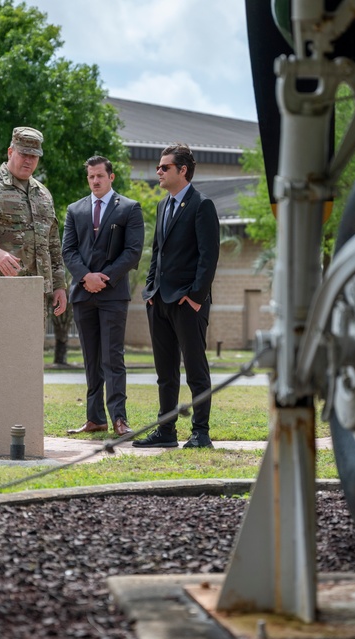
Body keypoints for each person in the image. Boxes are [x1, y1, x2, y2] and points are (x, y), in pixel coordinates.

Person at [133, 143, 220, 449]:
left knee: (195, 370)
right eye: (159, 167)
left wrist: (196, 296)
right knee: (165, 372)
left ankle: (200, 432)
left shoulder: (201, 205)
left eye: (164, 167)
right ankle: (166, 430)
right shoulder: (162, 205)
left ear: (182, 170)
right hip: (159, 301)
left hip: (187, 303)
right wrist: (150, 289)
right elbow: (157, 251)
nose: (158, 171)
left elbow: (208, 257)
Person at [61, 156, 145, 437]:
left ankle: (119, 418)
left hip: (113, 294)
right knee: (91, 358)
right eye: (90, 177)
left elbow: (133, 252)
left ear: (111, 177)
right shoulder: (75, 210)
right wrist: (86, 277)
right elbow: (68, 251)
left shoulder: (130, 209)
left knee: (112, 357)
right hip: (83, 294)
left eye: (99, 176)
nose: (95, 181)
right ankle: (94, 418)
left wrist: (103, 278)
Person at [0, 126, 67, 319]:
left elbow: (53, 244)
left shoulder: (43, 194)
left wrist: (59, 285)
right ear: (10, 152)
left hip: (36, 291)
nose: (28, 160)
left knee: (30, 348)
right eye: (23, 153)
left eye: (34, 156)